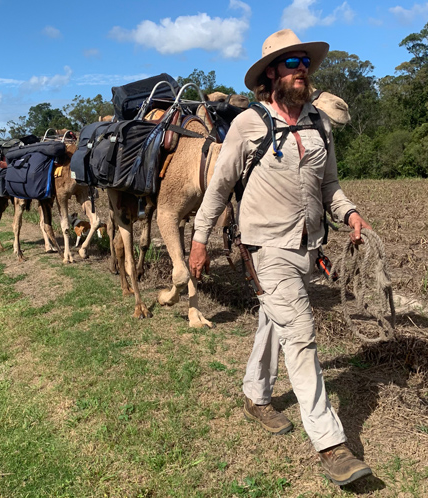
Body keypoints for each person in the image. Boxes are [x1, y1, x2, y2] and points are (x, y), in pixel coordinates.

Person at [189, 29, 373, 486]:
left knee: (275, 321)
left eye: (305, 64)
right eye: (292, 64)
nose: (302, 71)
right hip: (264, 248)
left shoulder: (319, 124)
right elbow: (219, 188)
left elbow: (329, 185)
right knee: (301, 332)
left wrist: (350, 215)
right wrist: (198, 239)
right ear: (271, 73)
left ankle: (255, 396)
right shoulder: (248, 124)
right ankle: (332, 445)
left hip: (308, 247)